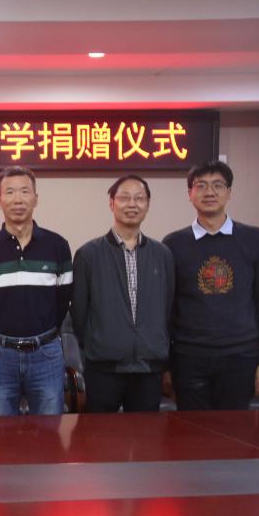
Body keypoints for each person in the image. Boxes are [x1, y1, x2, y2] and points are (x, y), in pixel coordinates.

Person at [163, 160, 259, 410]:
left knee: (234, 429)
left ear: (229, 192)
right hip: (188, 357)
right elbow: (165, 309)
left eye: (218, 185)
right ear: (190, 194)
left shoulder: (256, 239)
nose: (209, 192)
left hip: (241, 356)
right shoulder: (173, 244)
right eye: (201, 185)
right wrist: (166, 365)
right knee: (193, 429)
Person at [0, 165, 72, 416]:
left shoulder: (58, 246)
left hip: (46, 353)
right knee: (1, 432)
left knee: (50, 430)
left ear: (36, 198)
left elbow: (63, 302)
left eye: (25, 191)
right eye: (10, 192)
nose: (18, 199)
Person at [72, 175, 174, 413]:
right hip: (103, 367)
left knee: (145, 434)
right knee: (100, 434)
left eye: (139, 198)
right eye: (124, 198)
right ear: (111, 203)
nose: (132, 204)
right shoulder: (88, 254)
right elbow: (79, 312)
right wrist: (100, 345)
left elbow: (167, 308)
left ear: (148, 204)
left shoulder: (163, 255)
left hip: (148, 367)